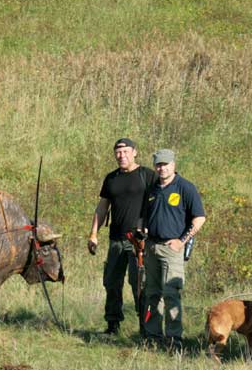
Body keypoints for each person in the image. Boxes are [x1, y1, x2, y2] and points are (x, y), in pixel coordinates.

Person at [88, 138, 157, 335]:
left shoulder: (147, 176)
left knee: (139, 285)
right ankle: (112, 325)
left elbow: (159, 203)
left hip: (138, 242)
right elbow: (102, 207)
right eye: (118, 152)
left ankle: (146, 329)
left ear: (134, 152)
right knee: (111, 282)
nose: (121, 156)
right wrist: (93, 234)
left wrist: (150, 230)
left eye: (125, 151)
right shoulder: (111, 178)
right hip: (116, 240)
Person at [141, 149, 206, 350]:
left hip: (172, 248)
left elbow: (199, 218)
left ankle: (174, 339)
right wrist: (142, 229)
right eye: (159, 165)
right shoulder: (151, 189)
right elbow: (144, 215)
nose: (162, 168)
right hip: (151, 247)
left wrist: (181, 241)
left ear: (174, 165)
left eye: (166, 164)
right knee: (151, 294)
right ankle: (152, 337)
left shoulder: (185, 188)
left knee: (171, 293)